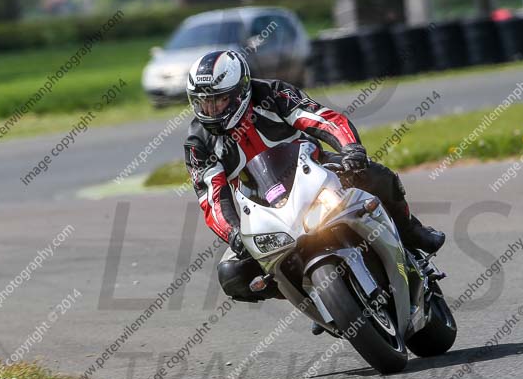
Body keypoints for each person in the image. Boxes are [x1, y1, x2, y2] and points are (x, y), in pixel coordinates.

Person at [183, 50, 445, 310]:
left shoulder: (273, 95)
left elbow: (321, 118)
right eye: (203, 102)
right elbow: (212, 198)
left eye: (219, 100)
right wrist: (233, 233)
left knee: (376, 176)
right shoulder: (198, 142)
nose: (211, 108)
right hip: (260, 205)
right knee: (232, 274)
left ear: (241, 91)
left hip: (315, 169)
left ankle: (411, 232)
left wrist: (350, 148)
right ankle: (315, 295)